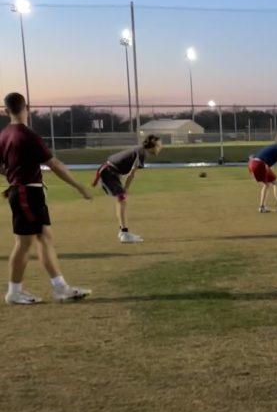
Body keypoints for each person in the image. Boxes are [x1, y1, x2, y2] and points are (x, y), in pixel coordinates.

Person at [0, 91, 92, 304]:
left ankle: (60, 287)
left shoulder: (5, 134)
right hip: (26, 194)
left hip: (23, 191)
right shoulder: (27, 135)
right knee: (24, 244)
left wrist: (13, 177)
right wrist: (79, 186)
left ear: (6, 111)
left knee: (44, 238)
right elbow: (55, 165)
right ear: (27, 108)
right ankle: (14, 292)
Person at [93, 134, 161, 242]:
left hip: (110, 172)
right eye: (158, 145)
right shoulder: (142, 153)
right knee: (122, 199)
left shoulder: (140, 151)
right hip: (108, 172)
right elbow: (131, 174)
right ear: (152, 146)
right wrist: (126, 188)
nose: (160, 148)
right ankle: (124, 233)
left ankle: (122, 232)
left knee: (122, 199)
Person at [248, 133, 277, 213]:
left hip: (252, 164)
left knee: (267, 184)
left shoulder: (274, 146)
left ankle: (262, 207)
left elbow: (266, 159)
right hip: (259, 164)